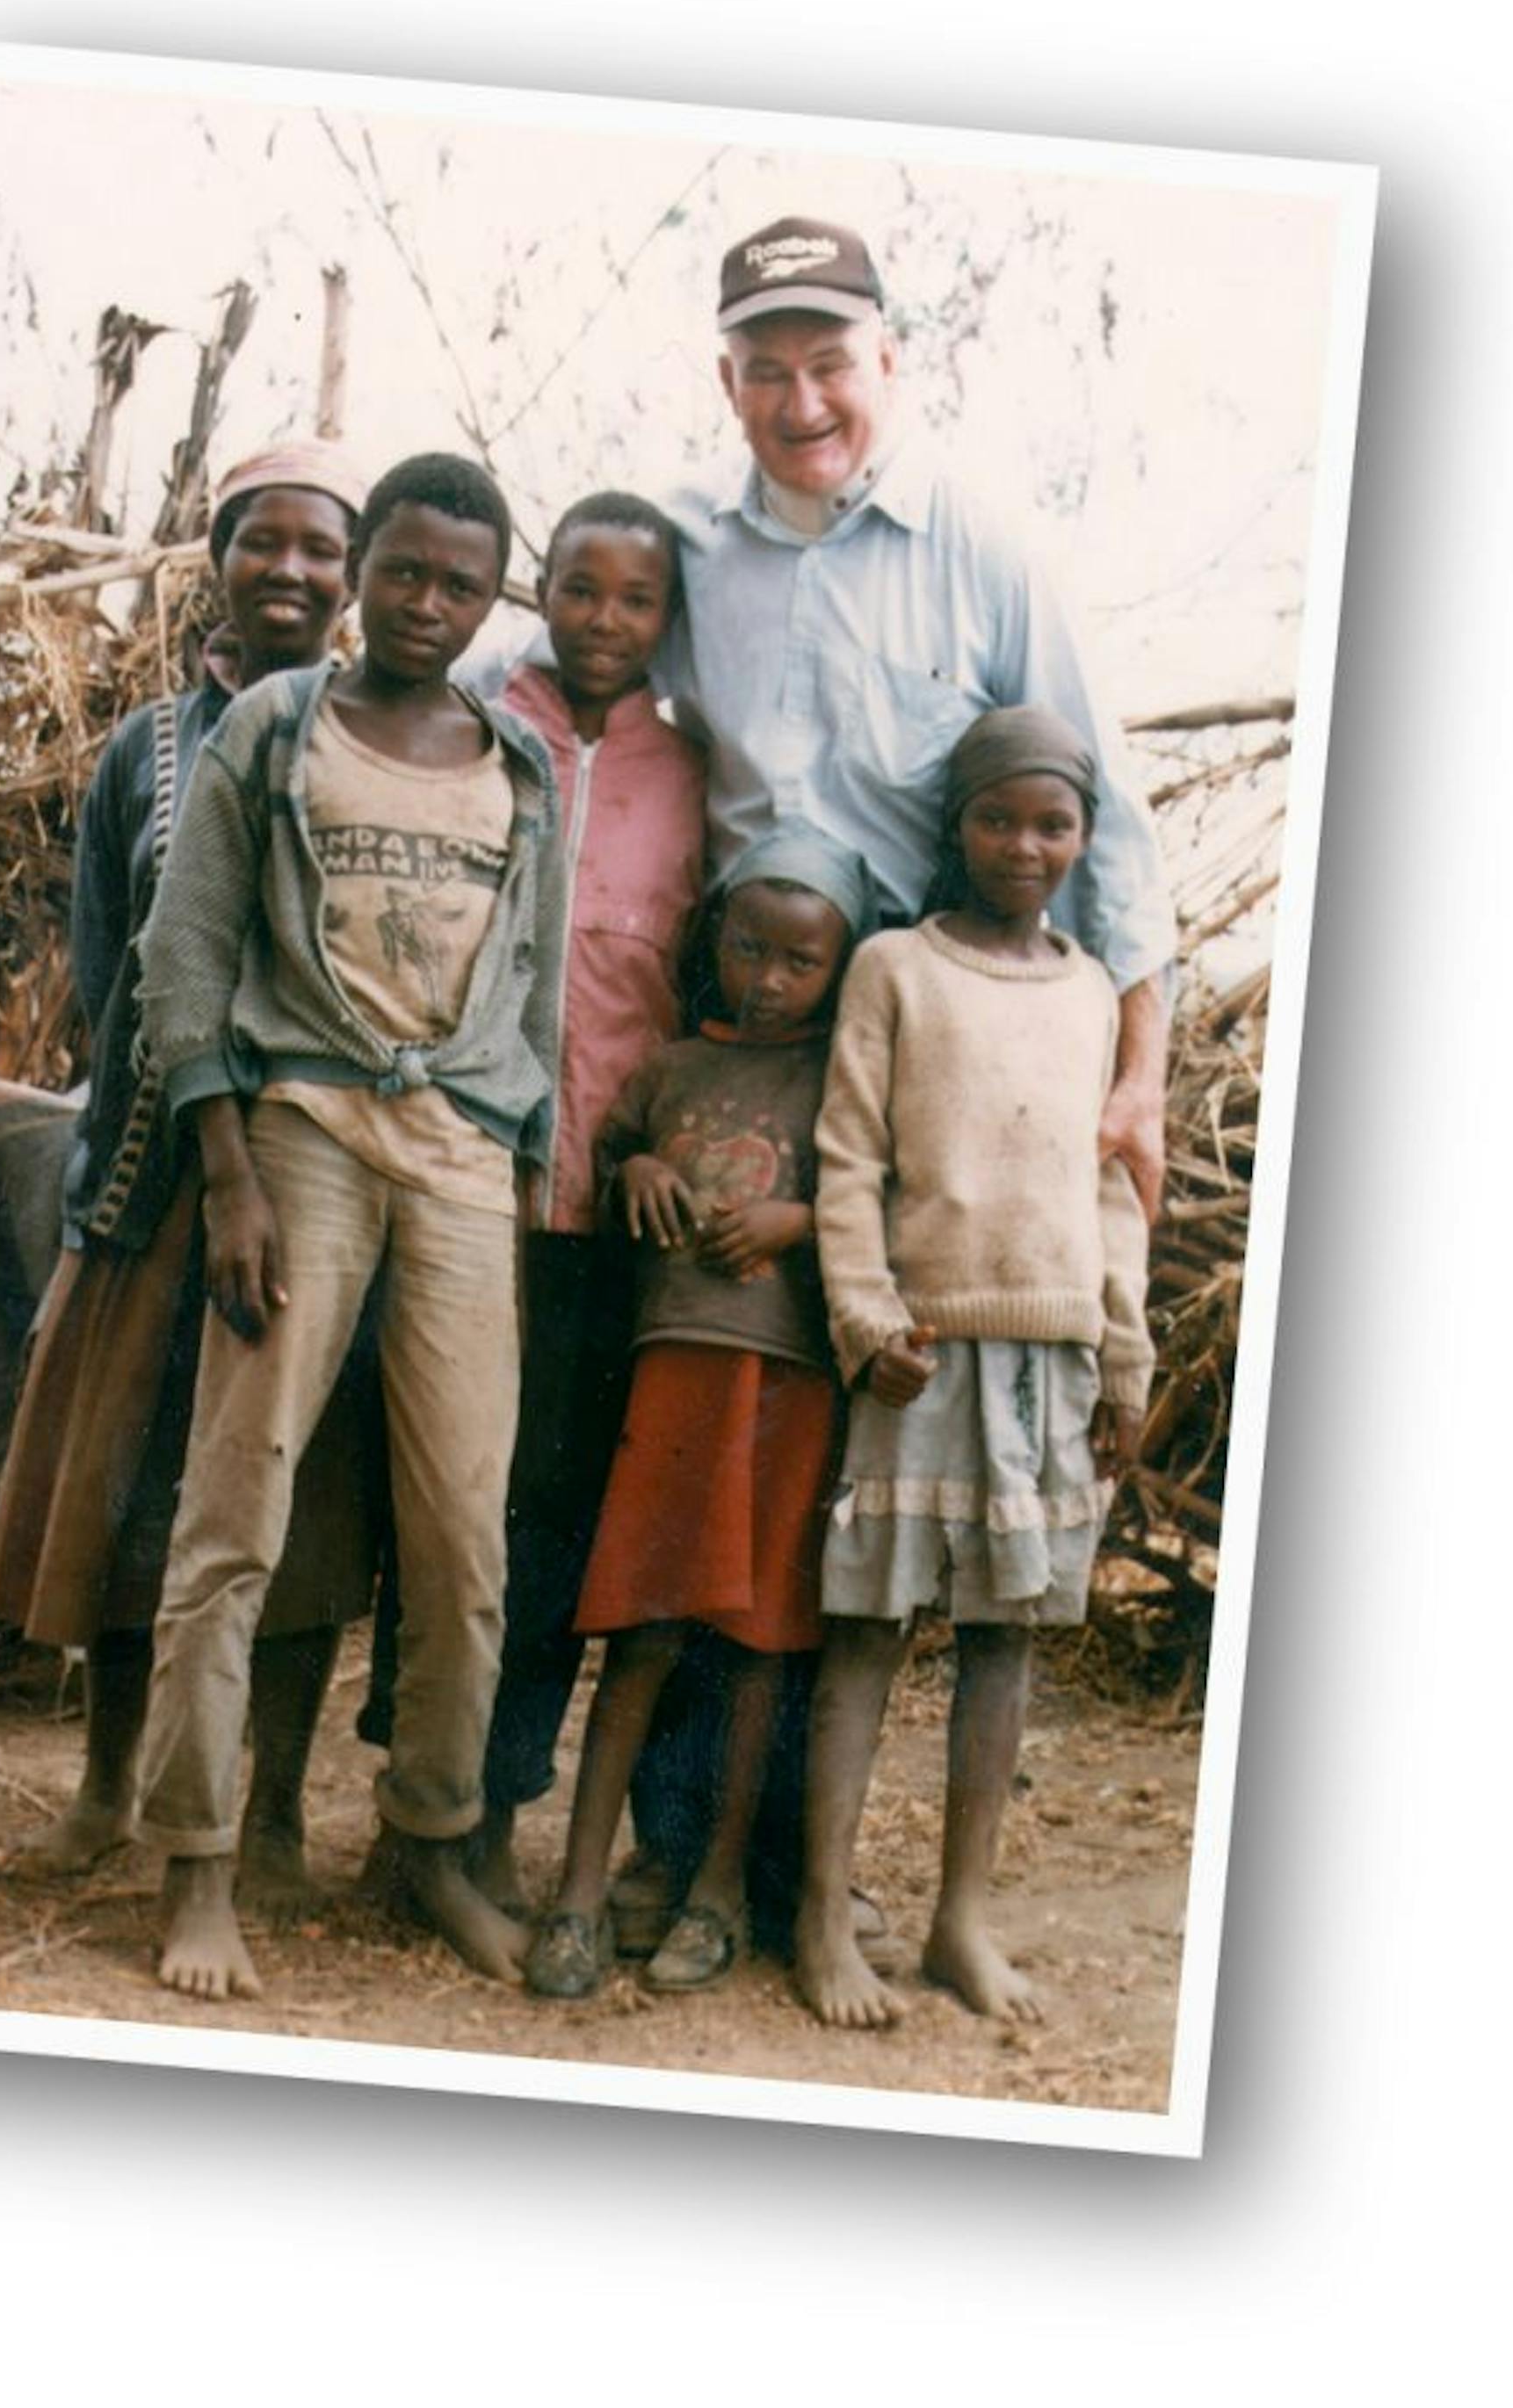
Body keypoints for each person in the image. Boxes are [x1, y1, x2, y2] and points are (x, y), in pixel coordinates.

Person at [131, 452, 563, 1997]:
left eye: (463, 583)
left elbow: (537, 999)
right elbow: (182, 960)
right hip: (302, 1128)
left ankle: (432, 1838)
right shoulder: (275, 724)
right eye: (405, 571)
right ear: (364, 565)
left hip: (456, 1153)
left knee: (462, 1521)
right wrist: (229, 1167)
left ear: (490, 596)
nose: (428, 605)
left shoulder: (520, 767)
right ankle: (194, 1860)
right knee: (234, 1503)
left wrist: (519, 1171)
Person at [0, 443, 384, 1905]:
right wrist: (169, 1134)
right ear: (219, 558)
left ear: (358, 570)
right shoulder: (144, 751)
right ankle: (106, 1786)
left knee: (304, 1501)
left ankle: (268, 1813)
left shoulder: (389, 745)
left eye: (322, 549)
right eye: (263, 543)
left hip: (327, 1183)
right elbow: (103, 963)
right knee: (133, 1491)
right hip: (158, 1174)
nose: (292, 572)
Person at [657, 212, 1176, 1221]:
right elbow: (543, 672)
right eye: (765, 370)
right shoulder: (683, 536)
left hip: (933, 1028)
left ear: (888, 360)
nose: (801, 403)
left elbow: (1102, 807)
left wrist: (1140, 1077)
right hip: (737, 1025)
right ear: (728, 385)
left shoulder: (982, 546)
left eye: (830, 364)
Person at [799, 708, 1155, 2030]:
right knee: (868, 1629)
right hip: (921, 1349)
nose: (1025, 844)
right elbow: (848, 1157)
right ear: (957, 825)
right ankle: (823, 1915)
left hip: (1051, 1354)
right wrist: (866, 1317)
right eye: (999, 818)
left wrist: (1123, 1356)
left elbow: (1111, 1186)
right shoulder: (897, 968)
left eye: (1052, 822)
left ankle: (962, 1916)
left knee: (1005, 1641)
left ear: (1083, 835)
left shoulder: (1090, 988)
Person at [525, 824, 872, 2000]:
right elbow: (618, 1150)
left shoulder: (844, 1081)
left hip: (790, 1387)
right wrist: (637, 1174)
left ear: (840, 967)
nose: (769, 980)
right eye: (749, 949)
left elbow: (891, 1195)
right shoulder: (668, 1067)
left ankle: (719, 1890)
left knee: (762, 1642)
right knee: (643, 1631)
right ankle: (576, 1892)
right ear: (712, 938)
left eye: (801, 962)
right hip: (675, 1381)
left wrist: (802, 1222)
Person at [467, 492, 706, 1913]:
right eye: (581, 587)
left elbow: (724, 974)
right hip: (467, 1190)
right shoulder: (482, 720)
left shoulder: (698, 770)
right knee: (451, 1513)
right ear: (538, 585)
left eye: (637, 598)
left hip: (613, 1219)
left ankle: (500, 1808)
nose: (605, 619)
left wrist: (662, 1143)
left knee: (558, 1516)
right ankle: (417, 1810)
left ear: (668, 618)